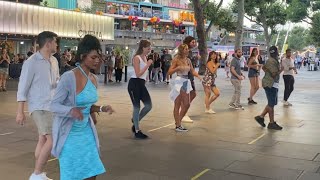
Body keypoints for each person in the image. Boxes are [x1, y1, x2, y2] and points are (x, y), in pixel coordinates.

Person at [50, 34, 114, 180]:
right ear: (83, 56)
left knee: (92, 173)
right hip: (69, 134)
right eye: (93, 57)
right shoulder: (69, 77)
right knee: (73, 175)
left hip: (86, 133)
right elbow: (53, 105)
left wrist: (101, 108)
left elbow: (87, 106)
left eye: (99, 57)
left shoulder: (93, 79)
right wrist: (71, 110)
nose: (97, 61)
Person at [16, 31, 59, 180]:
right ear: (48, 44)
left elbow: (56, 82)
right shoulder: (31, 62)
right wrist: (20, 111)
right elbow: (23, 86)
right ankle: (36, 173)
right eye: (55, 42)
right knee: (52, 139)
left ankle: (39, 173)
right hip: (39, 106)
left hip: (52, 105)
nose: (56, 45)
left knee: (43, 139)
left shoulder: (54, 61)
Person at [168, 44, 201, 132]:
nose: (188, 50)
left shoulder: (188, 60)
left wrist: (199, 77)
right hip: (179, 81)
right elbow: (169, 72)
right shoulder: (176, 59)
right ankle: (178, 124)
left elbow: (192, 71)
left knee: (186, 104)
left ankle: (178, 123)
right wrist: (177, 68)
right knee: (179, 104)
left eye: (187, 49)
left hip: (186, 81)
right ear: (181, 50)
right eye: (186, 49)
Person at [128, 40, 153, 139]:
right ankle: (137, 130)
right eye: (148, 48)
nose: (149, 50)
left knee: (148, 106)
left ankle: (135, 120)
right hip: (134, 84)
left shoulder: (145, 58)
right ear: (143, 48)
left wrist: (146, 78)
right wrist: (148, 65)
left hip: (141, 84)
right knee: (137, 107)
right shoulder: (136, 58)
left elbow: (143, 74)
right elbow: (138, 74)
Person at [254, 46, 283, 130]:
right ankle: (271, 123)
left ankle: (261, 117)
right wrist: (281, 70)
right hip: (270, 84)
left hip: (272, 84)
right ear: (276, 52)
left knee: (272, 103)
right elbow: (274, 74)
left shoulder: (271, 60)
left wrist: (268, 72)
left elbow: (263, 67)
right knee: (271, 104)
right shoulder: (272, 61)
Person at [181, 36, 198, 123]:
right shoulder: (185, 51)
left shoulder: (190, 52)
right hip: (185, 77)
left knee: (193, 94)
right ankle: (184, 113)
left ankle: (184, 110)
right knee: (188, 95)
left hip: (190, 76)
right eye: (193, 42)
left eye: (194, 42)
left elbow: (191, 65)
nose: (194, 44)